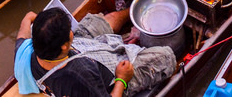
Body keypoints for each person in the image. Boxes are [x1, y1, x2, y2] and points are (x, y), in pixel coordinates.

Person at [15, 7, 175, 97]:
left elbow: (27, 18)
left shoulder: (24, 52)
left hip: (79, 46)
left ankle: (135, 7)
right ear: (64, 46)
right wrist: (122, 79)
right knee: (166, 57)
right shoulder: (80, 74)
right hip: (111, 79)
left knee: (100, 20)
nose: (72, 30)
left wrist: (42, 23)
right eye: (69, 30)